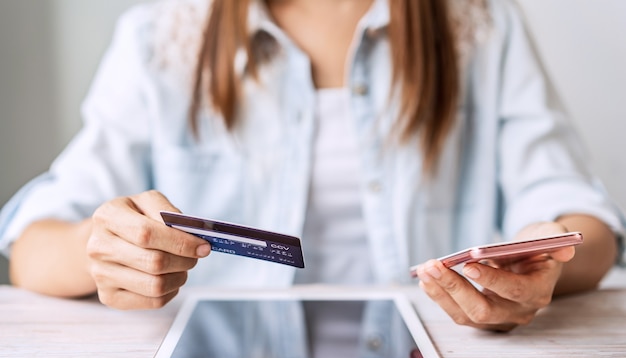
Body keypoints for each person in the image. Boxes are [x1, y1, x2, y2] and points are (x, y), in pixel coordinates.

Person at [0, 0, 624, 335]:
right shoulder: (159, 37)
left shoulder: (482, 28)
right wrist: (102, 247)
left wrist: (538, 267)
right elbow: (30, 247)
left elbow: (586, 227)